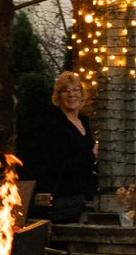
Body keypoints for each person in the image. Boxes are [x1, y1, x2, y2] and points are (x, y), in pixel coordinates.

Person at [18, 66, 98, 218]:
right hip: (65, 196)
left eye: (75, 90)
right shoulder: (54, 125)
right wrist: (91, 155)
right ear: (58, 96)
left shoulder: (84, 121)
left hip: (85, 194)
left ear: (82, 94)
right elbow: (57, 165)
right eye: (66, 91)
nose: (71, 95)